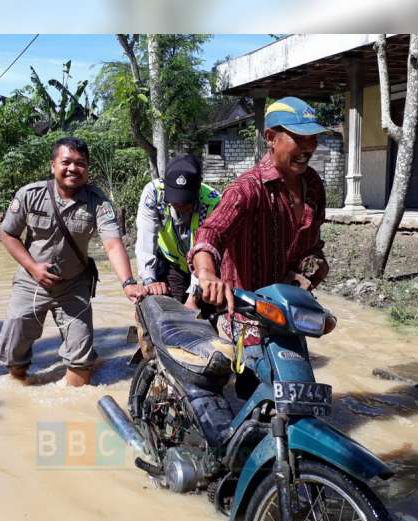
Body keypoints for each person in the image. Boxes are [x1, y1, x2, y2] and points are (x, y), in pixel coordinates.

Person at [0, 137, 145, 387]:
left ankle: (74, 391)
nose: (73, 169)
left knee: (81, 364)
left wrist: (128, 283)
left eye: (81, 164)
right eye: (66, 162)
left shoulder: (98, 202)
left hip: (73, 286)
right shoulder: (30, 195)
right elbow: (7, 234)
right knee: (14, 355)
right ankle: (21, 388)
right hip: (30, 283)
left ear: (87, 169)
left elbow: (112, 243)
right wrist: (33, 268)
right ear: (53, 165)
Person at [188, 96, 331, 346]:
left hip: (291, 313)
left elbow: (312, 247)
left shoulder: (314, 185)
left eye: (313, 138)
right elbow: (210, 234)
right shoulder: (247, 189)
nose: (308, 147)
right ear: (270, 138)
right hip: (245, 317)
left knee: (298, 380)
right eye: (298, 138)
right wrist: (207, 274)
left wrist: (313, 268)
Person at [135, 154, 221, 306]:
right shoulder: (154, 194)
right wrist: (149, 280)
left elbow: (205, 249)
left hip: (205, 267)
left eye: (186, 201)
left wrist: (194, 296)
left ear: (198, 189)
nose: (180, 206)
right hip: (171, 262)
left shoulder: (213, 203)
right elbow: (145, 237)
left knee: (203, 316)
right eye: (175, 200)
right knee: (163, 307)